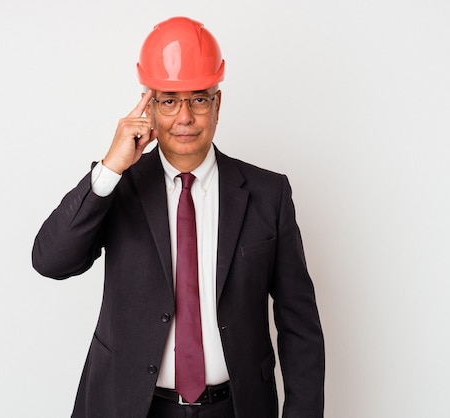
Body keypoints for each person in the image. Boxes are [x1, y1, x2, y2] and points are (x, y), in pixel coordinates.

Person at [32, 16, 324, 418]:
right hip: (131, 407)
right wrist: (109, 168)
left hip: (235, 409)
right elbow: (51, 261)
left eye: (199, 98)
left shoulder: (268, 194)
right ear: (148, 105)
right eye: (169, 100)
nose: (184, 117)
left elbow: (300, 325)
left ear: (217, 104)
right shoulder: (118, 186)